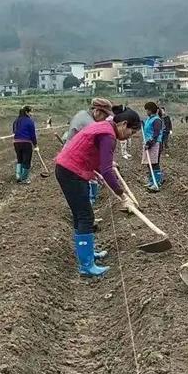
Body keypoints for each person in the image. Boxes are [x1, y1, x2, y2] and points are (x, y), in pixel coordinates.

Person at [55, 108, 142, 277]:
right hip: (71, 172)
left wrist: (100, 170)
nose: (130, 136)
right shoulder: (108, 135)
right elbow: (107, 169)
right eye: (132, 131)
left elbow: (92, 154)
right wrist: (122, 195)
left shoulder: (104, 127)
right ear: (123, 124)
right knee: (85, 216)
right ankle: (86, 266)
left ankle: (87, 253)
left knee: (82, 215)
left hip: (68, 169)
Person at [64, 98, 115, 206]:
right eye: (104, 116)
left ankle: (87, 210)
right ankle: (89, 208)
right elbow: (94, 150)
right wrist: (105, 167)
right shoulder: (90, 124)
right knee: (83, 192)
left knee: (80, 193)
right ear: (97, 111)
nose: (104, 120)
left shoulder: (81, 114)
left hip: (70, 157)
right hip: (75, 161)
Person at [13, 106, 38, 184]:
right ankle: (24, 178)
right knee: (26, 160)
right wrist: (35, 145)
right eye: (31, 112)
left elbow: (14, 131)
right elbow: (32, 135)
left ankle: (18, 176)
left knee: (19, 159)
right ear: (27, 112)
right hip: (26, 142)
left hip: (16, 142)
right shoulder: (29, 121)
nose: (31, 114)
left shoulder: (16, 121)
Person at [142, 102, 164, 191]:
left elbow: (156, 134)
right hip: (148, 143)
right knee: (149, 163)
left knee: (155, 163)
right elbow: (147, 129)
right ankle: (151, 181)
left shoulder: (156, 120)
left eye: (147, 110)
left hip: (155, 144)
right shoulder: (149, 119)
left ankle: (157, 182)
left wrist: (149, 143)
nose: (146, 112)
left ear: (150, 110)